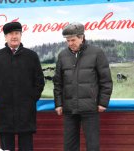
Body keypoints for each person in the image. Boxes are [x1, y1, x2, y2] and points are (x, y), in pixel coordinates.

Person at [53, 22, 113, 151]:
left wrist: (103, 102)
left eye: (73, 40)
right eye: (67, 40)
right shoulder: (62, 55)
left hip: (90, 108)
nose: (70, 43)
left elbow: (106, 80)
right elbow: (58, 82)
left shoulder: (97, 53)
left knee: (92, 145)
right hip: (69, 109)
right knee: (69, 146)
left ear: (82, 37)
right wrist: (58, 104)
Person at [0, 22, 45, 151]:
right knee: (7, 147)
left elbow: (39, 81)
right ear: (5, 37)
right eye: (11, 34)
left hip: (26, 110)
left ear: (21, 35)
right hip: (4, 110)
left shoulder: (31, 56)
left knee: (26, 147)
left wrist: (31, 98)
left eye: (17, 33)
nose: (14, 36)